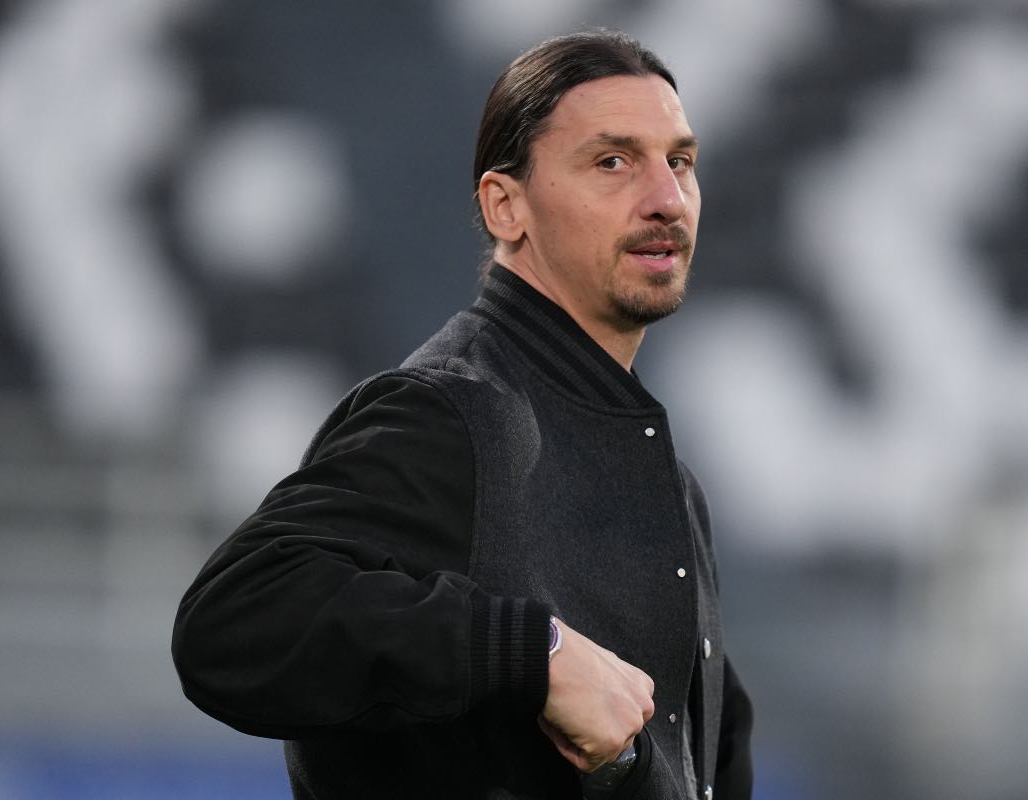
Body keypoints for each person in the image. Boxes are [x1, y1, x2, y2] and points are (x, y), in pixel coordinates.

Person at [172, 29, 753, 800]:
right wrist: (531, 654)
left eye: (679, 162)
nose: (667, 200)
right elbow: (232, 619)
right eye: (612, 162)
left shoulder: (671, 484)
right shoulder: (454, 414)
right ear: (506, 206)